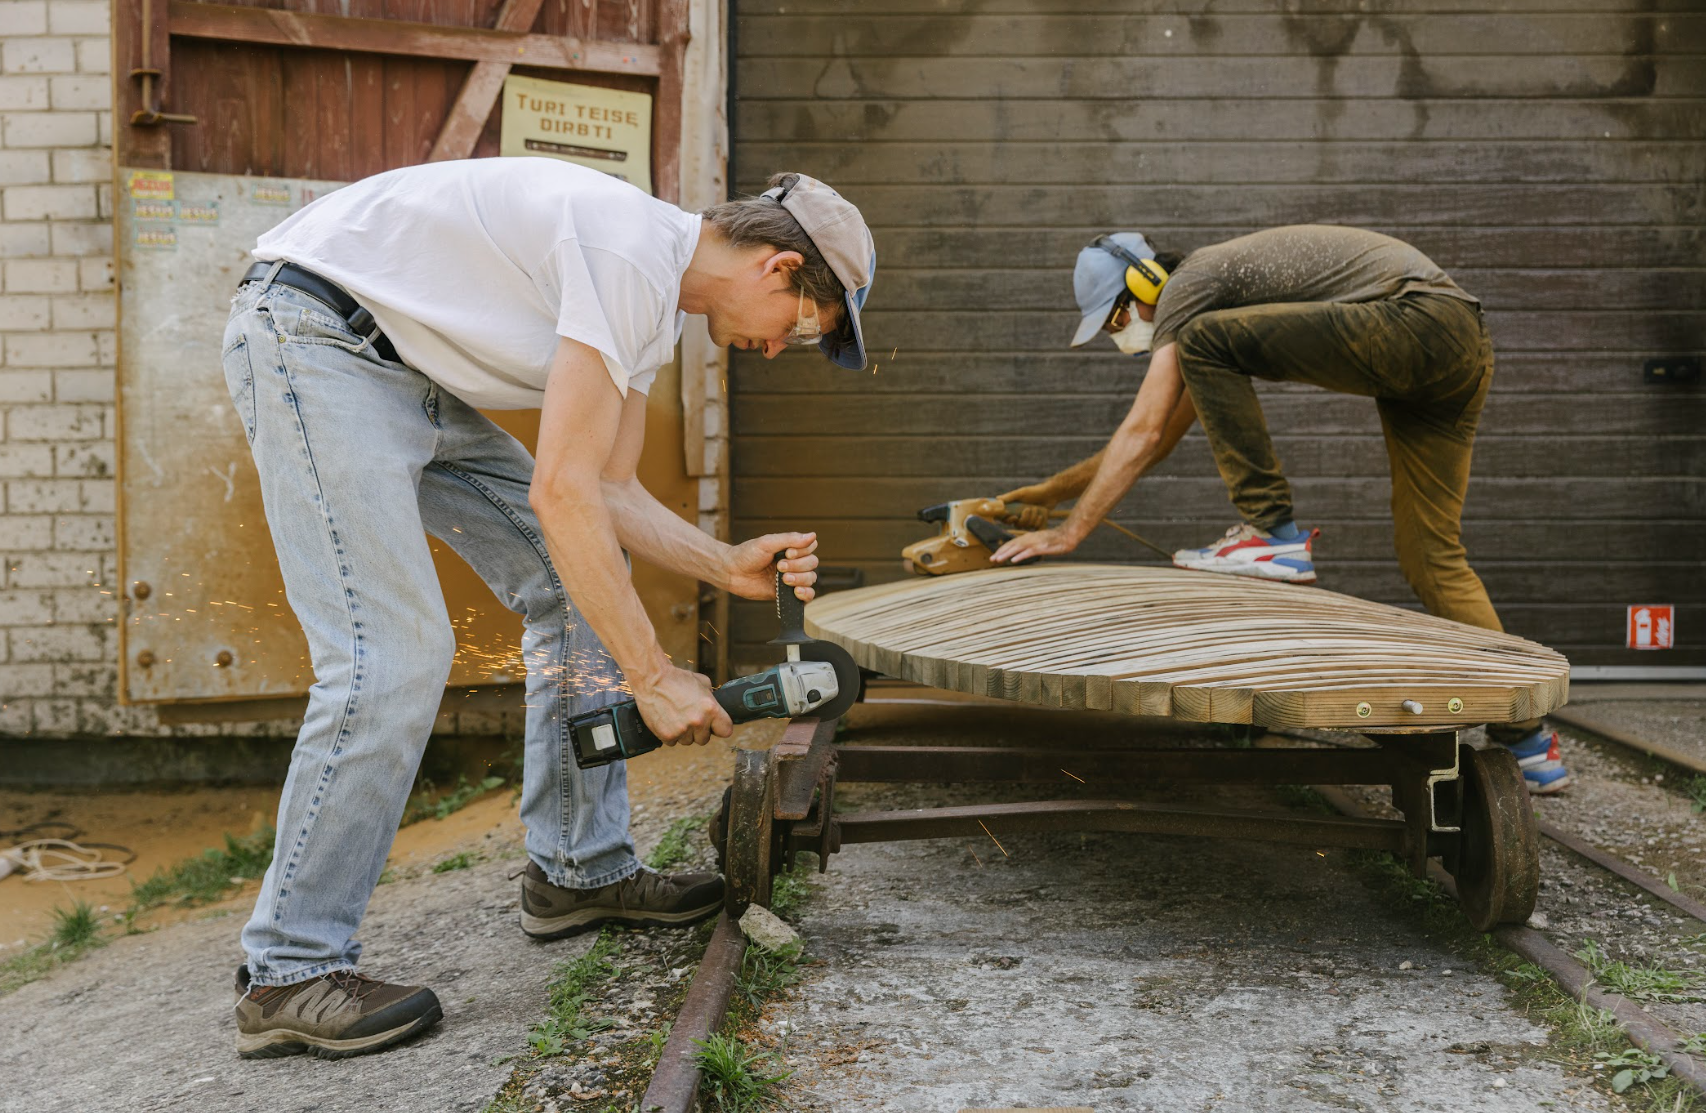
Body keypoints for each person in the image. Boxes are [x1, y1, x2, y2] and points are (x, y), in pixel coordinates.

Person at [219, 160, 875, 1059]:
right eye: (801, 327)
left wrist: (724, 565)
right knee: (392, 653)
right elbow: (561, 494)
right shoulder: (628, 252)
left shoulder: (650, 300)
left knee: (577, 586)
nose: (775, 349)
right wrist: (651, 676)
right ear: (779, 267)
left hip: (402, 367)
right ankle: (289, 967)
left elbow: (607, 491)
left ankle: (576, 869)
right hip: (315, 339)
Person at [990, 225, 1566, 794]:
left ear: (1145, 283)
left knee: (1202, 340)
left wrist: (1069, 534)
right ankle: (1529, 741)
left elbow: (1143, 431)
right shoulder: (1211, 336)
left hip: (1416, 318)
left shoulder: (1188, 290)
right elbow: (1158, 438)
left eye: (1117, 318)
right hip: (1458, 346)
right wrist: (1051, 493)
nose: (1122, 335)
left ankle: (1272, 532)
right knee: (1430, 556)